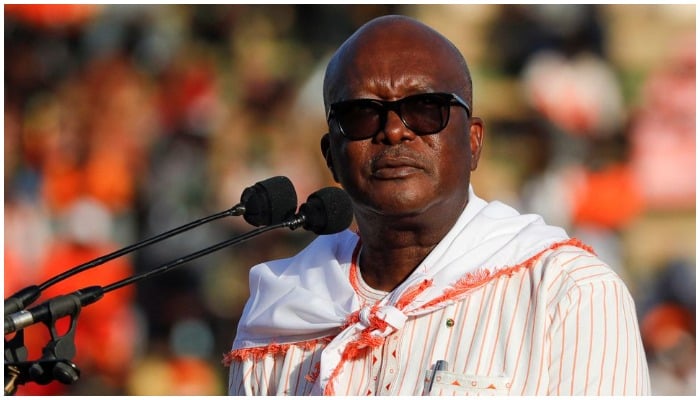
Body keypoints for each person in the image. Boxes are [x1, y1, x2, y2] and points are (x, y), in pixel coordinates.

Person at [224, 15, 651, 396]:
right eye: (362, 114)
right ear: (331, 155)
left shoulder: (566, 292)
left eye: (425, 109)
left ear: (473, 142)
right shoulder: (280, 310)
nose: (394, 132)